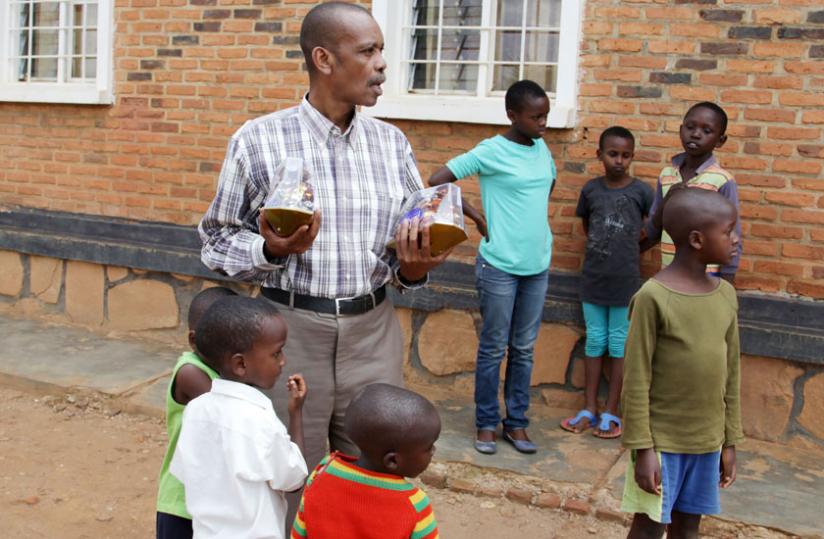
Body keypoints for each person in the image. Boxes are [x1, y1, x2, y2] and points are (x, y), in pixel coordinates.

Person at [197, 2, 451, 527]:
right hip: (289, 339)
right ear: (324, 59)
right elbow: (215, 243)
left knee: (374, 478)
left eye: (381, 49)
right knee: (288, 475)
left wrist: (418, 266)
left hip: (373, 334)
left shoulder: (392, 144)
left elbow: (403, 259)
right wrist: (270, 251)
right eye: (368, 50)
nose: (383, 63)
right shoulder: (259, 140)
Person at [429, 80, 556, 455]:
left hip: (537, 266)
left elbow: (546, 186)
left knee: (524, 348)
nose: (543, 123)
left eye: (547, 115)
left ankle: (516, 424)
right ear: (512, 115)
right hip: (499, 264)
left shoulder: (541, 147)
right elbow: (438, 180)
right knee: (494, 347)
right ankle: (486, 422)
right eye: (536, 117)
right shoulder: (491, 151)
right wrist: (475, 216)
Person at [621, 188, 743, 538]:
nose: (736, 240)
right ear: (696, 239)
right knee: (648, 527)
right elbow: (636, 378)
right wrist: (642, 448)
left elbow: (732, 372)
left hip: (707, 442)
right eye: (729, 231)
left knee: (688, 527)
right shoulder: (652, 298)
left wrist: (729, 441)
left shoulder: (725, 295)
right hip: (661, 444)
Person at [170, 296, 308, 539]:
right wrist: (296, 415)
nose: (283, 361)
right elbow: (294, 480)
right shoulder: (259, 419)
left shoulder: (196, 410)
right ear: (240, 364)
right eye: (276, 353)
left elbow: (186, 473)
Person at [560, 127, 653, 439]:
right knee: (595, 341)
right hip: (593, 281)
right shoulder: (591, 190)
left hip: (625, 283)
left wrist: (629, 252)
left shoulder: (641, 193)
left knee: (618, 344)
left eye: (626, 155)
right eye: (613, 154)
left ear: (632, 157)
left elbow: (651, 231)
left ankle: (612, 410)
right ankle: (589, 407)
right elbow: (589, 226)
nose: (619, 161)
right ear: (599, 155)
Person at [291, 383, 440, 539]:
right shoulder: (414, 505)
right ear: (393, 461)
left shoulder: (321, 473)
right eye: (428, 447)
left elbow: (298, 534)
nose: (433, 451)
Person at [156, 286, 236, 539]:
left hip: (215, 498)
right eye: (219, 339)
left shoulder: (227, 372)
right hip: (183, 501)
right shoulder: (191, 372)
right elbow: (229, 419)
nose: (230, 349)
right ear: (193, 340)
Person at [641, 101, 742, 282]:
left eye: (707, 131)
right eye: (690, 127)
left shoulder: (723, 180)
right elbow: (653, 228)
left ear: (720, 140)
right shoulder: (667, 175)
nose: (696, 134)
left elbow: (733, 233)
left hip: (707, 278)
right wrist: (667, 202)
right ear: (681, 130)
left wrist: (727, 280)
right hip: (669, 272)